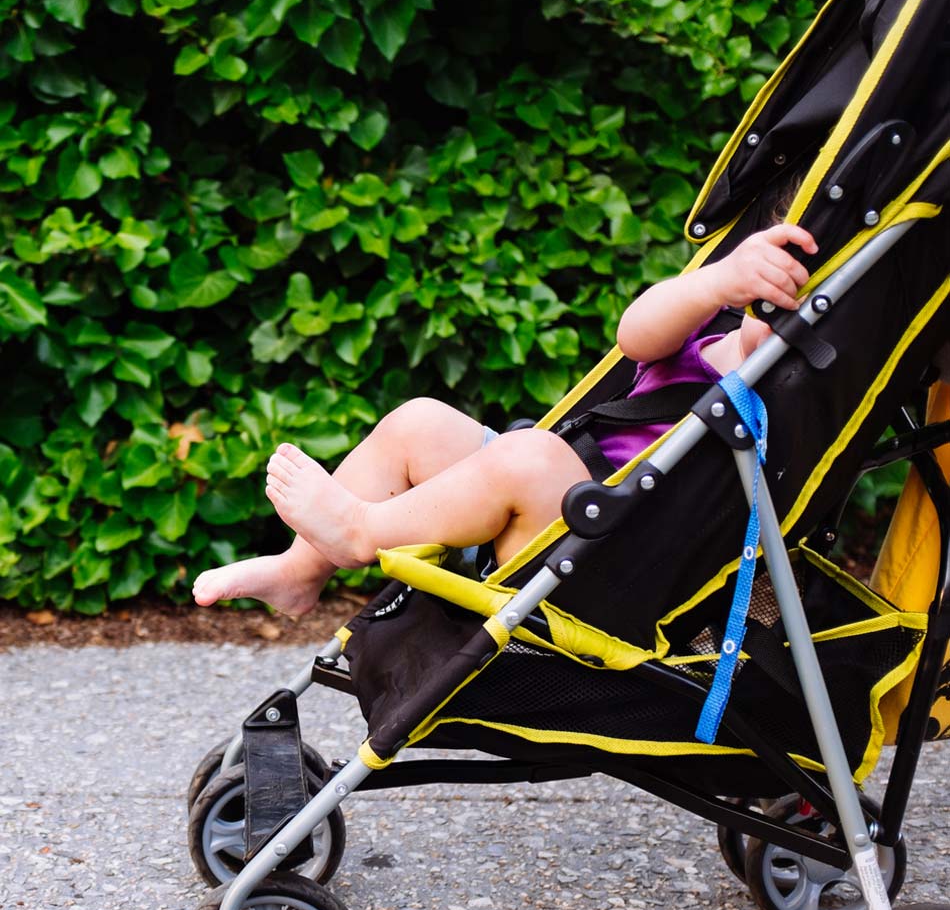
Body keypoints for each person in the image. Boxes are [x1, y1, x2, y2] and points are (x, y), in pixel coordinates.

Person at [192, 223, 818, 616]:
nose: (778, 300)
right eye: (769, 279)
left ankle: (359, 531)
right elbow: (635, 335)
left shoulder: (777, 401)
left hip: (612, 553)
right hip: (558, 506)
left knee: (530, 455)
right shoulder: (703, 331)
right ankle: (300, 572)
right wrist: (714, 283)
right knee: (419, 422)